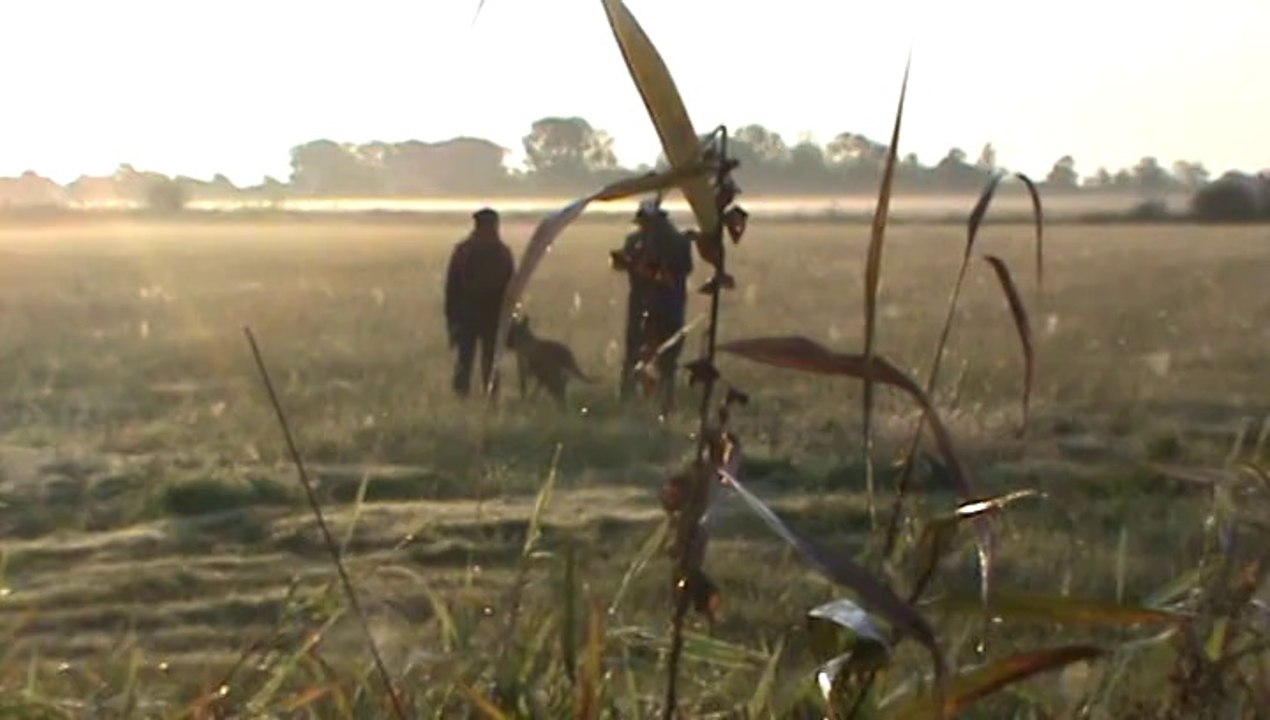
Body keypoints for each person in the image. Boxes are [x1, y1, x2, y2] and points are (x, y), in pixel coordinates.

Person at [616, 198, 693, 413]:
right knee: (634, 355)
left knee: (666, 360)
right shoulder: (634, 241)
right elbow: (623, 266)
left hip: (668, 307)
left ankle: (664, 405)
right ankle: (628, 402)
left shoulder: (678, 242)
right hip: (642, 306)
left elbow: (680, 272)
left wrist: (650, 269)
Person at [444, 207, 515, 398]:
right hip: (493, 316)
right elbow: (512, 289)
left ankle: (462, 399)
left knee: (464, 361)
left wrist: (451, 321)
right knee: (491, 363)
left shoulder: (463, 250)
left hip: (466, 314)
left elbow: (451, 289)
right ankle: (492, 400)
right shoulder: (503, 252)